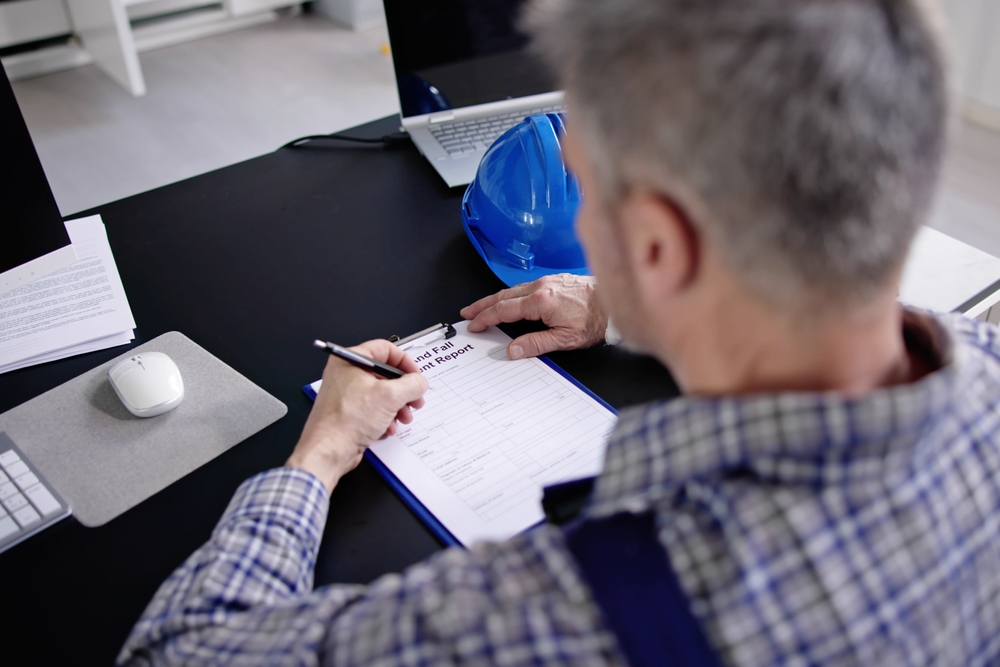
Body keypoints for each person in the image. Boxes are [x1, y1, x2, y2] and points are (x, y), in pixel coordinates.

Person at [118, 0, 1000, 664]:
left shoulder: (582, 612)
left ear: (658, 244)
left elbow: (179, 650)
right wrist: (625, 303)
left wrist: (316, 457)